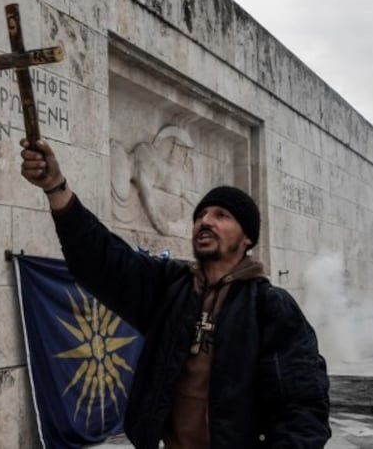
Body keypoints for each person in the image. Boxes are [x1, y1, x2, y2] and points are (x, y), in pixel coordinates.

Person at [19, 139, 331, 448]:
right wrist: (56, 187)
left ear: (248, 237)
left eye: (222, 215)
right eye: (201, 215)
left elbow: (303, 407)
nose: (206, 221)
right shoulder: (171, 287)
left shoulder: (269, 307)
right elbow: (102, 258)